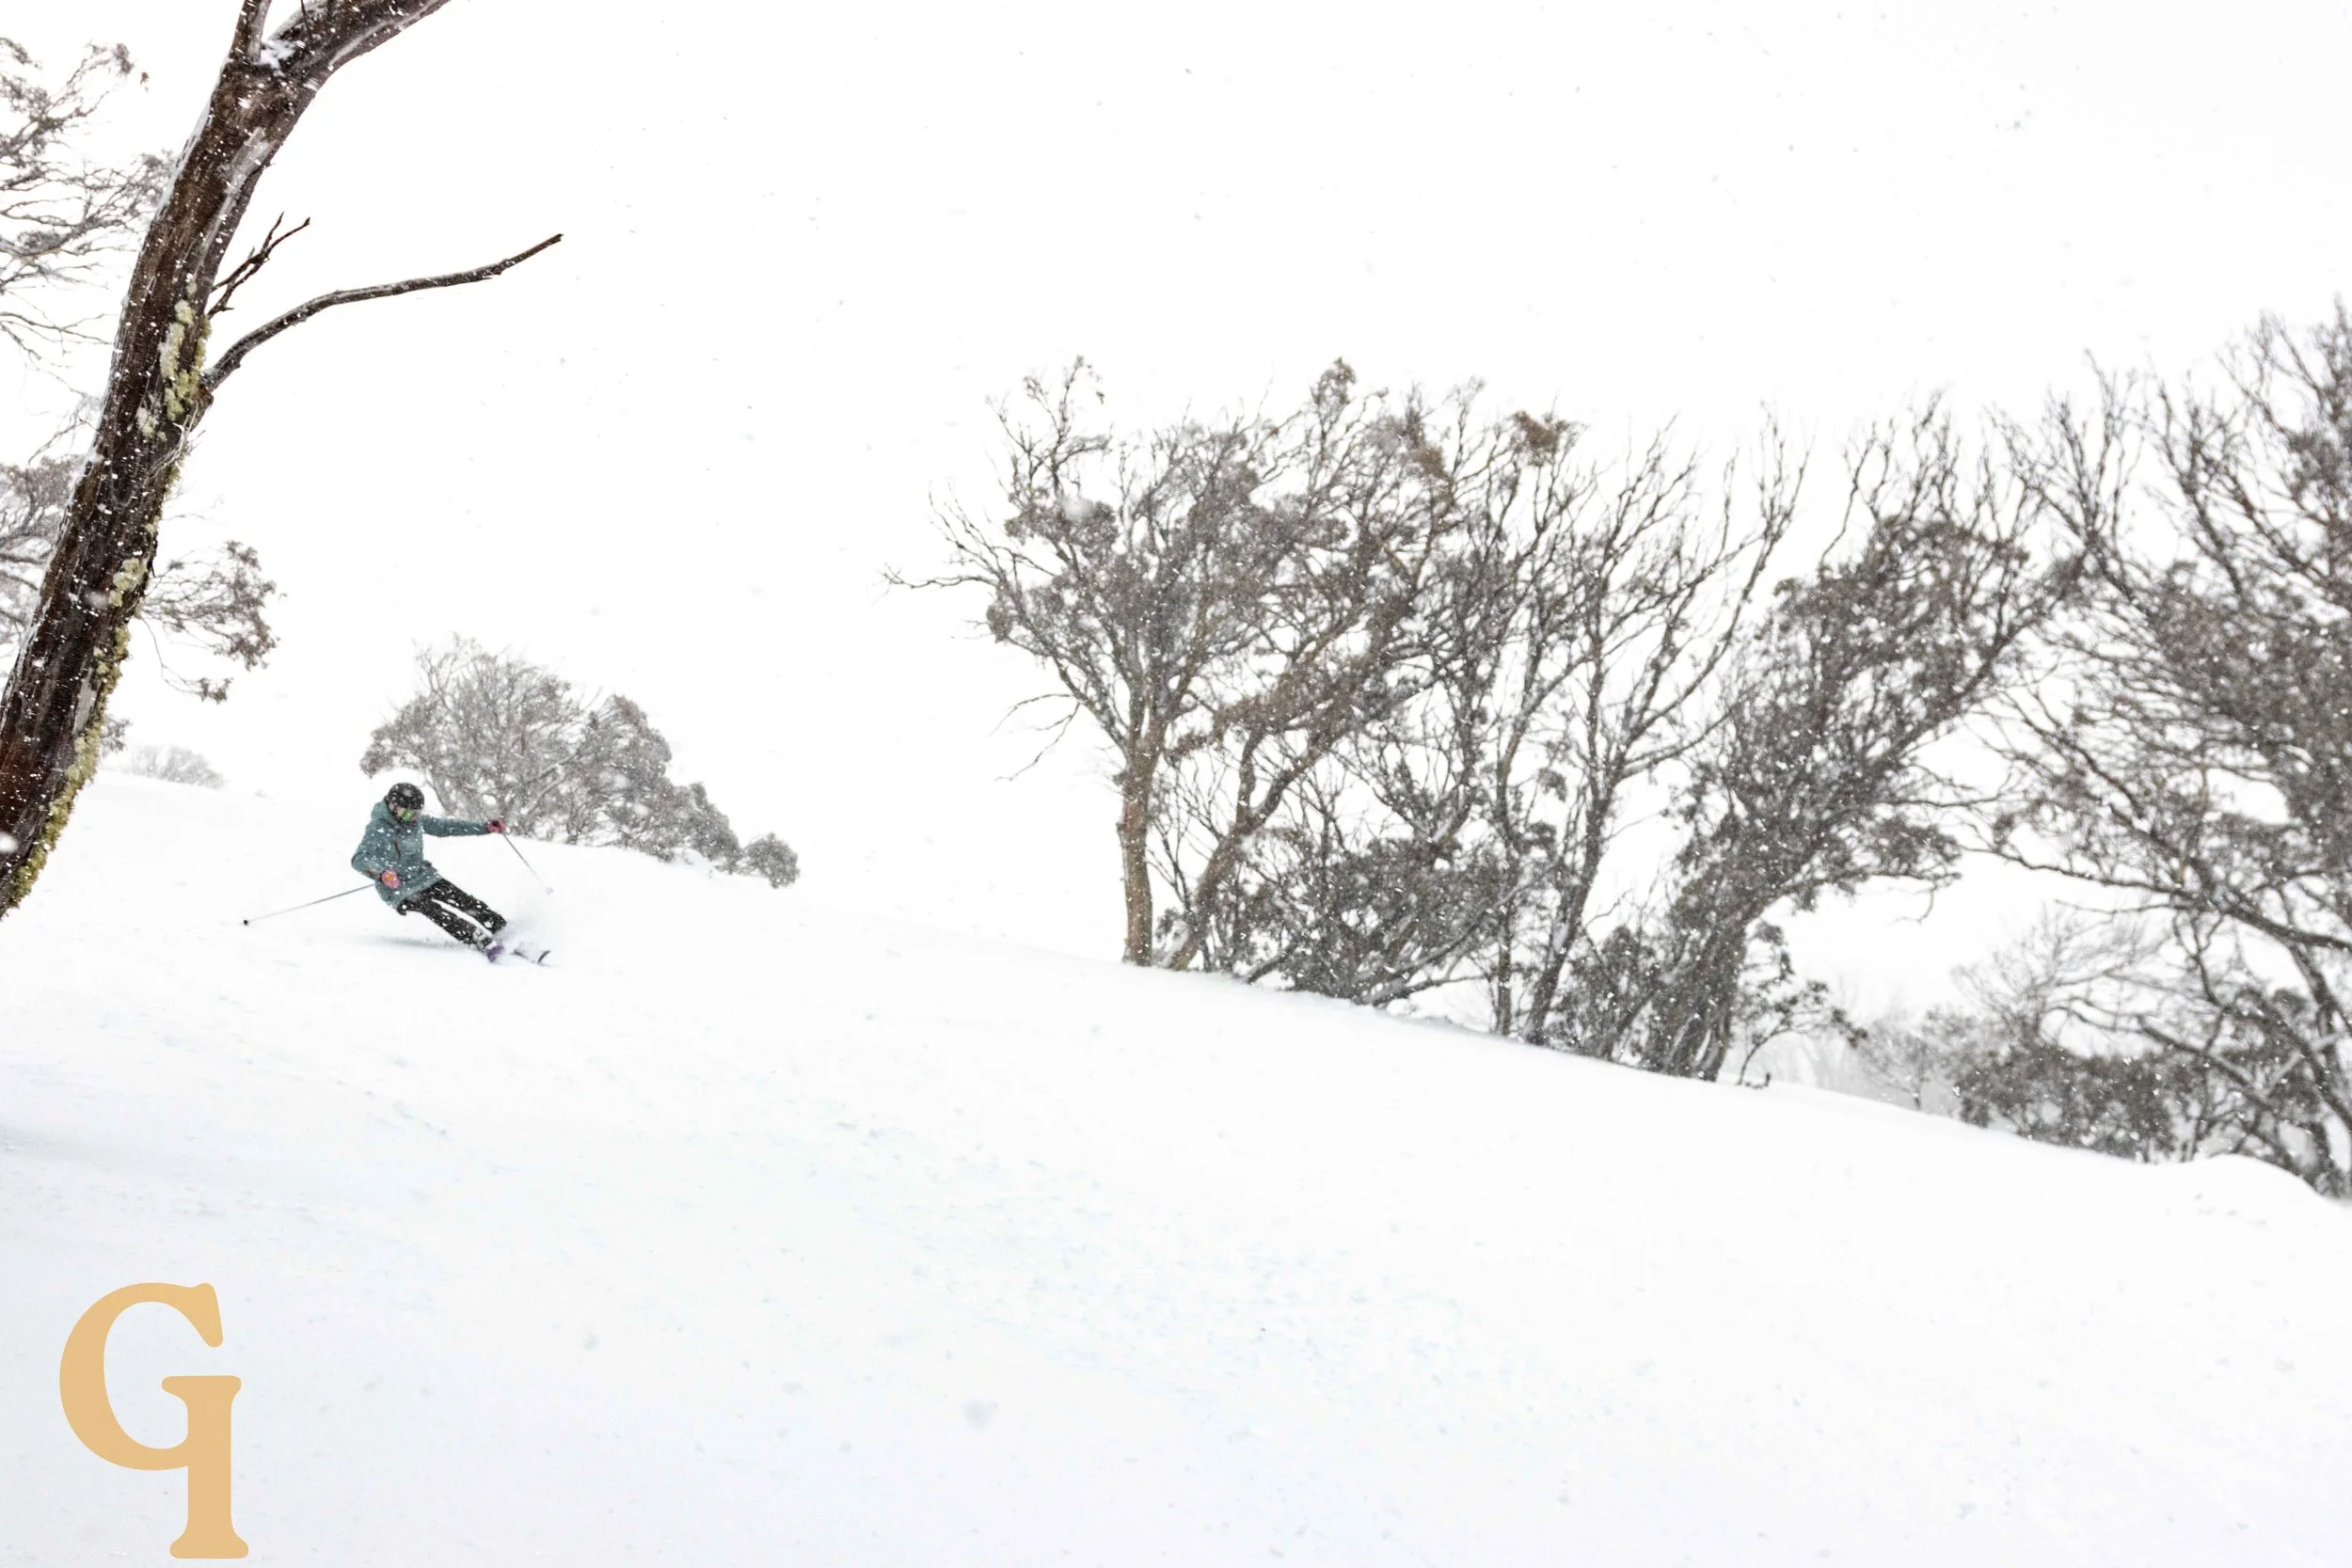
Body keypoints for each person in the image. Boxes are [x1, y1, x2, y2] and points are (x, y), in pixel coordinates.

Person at [352, 782, 511, 954]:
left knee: (463, 900)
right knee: (432, 909)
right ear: (393, 807)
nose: (412, 818)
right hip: (398, 887)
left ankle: (500, 927)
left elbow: (445, 827)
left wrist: (484, 827)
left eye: (415, 813)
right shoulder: (379, 827)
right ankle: (478, 938)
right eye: (406, 813)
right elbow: (360, 859)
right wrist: (382, 873)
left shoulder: (415, 821)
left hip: (423, 876)